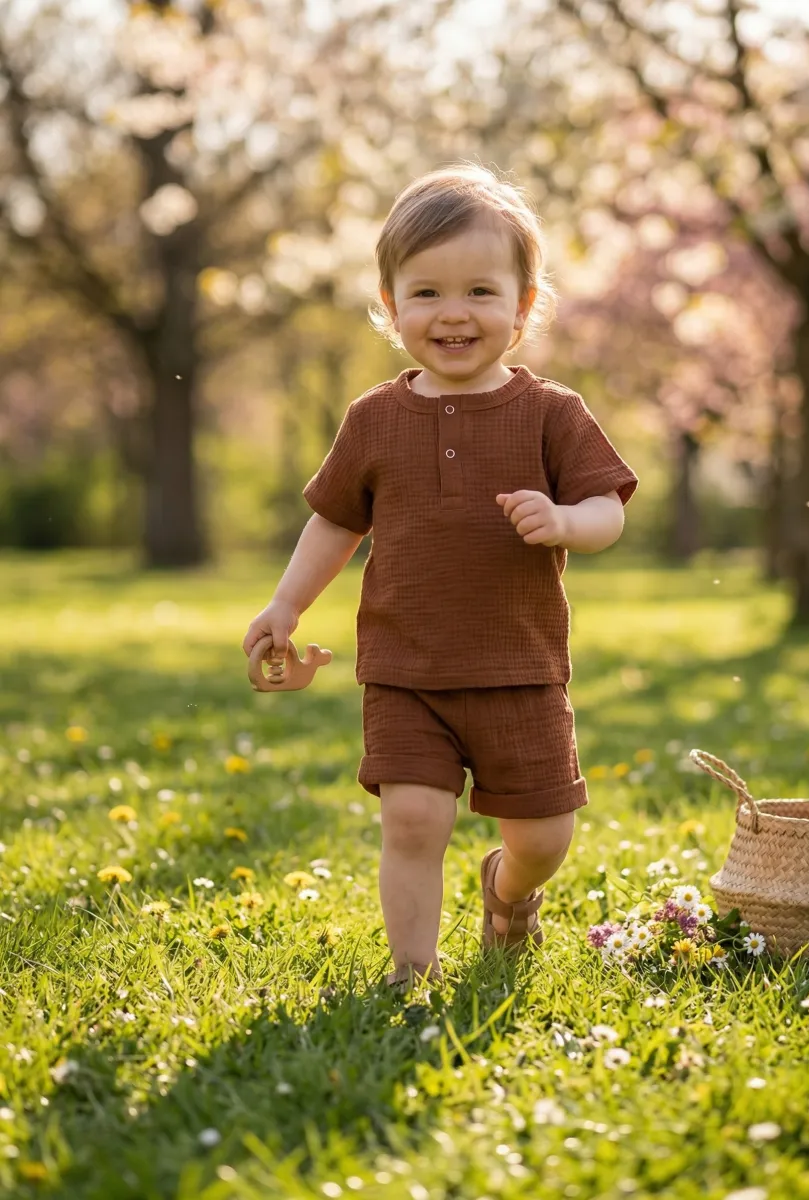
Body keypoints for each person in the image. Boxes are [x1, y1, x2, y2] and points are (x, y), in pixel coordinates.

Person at [242, 164, 638, 992]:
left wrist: (567, 522)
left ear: (524, 307)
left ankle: (507, 890)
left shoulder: (552, 414)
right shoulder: (375, 419)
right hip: (405, 669)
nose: (453, 313)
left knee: (544, 836)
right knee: (414, 820)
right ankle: (411, 976)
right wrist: (286, 602)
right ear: (390, 307)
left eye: (480, 292)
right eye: (425, 293)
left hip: (521, 670)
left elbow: (608, 508)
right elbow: (335, 521)